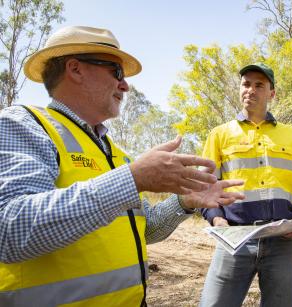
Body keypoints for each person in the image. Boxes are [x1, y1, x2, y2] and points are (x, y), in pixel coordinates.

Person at [0, 26, 245, 307]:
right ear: (75, 69)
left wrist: (185, 201)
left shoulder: (115, 153)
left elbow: (143, 229)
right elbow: (9, 230)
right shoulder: (23, 125)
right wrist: (131, 179)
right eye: (116, 71)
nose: (125, 85)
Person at [198, 63, 292, 307]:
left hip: (284, 241)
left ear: (272, 93)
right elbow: (204, 187)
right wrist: (216, 218)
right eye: (246, 84)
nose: (250, 90)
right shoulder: (219, 134)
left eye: (259, 85)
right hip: (234, 238)